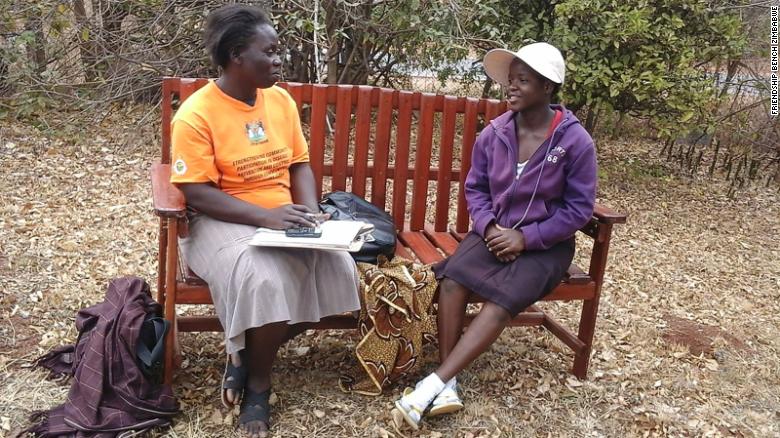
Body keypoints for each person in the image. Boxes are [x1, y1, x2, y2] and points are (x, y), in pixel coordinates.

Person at [169, 5, 360, 437]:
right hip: (220, 220)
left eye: (278, 51)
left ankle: (244, 356)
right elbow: (196, 192)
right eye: (269, 52)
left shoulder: (279, 100)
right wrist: (266, 217)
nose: (279, 60)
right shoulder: (196, 114)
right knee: (264, 279)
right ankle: (258, 385)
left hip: (281, 214)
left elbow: (299, 164)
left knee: (337, 269)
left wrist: (309, 210)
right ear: (236, 56)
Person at [393, 42, 597, 429]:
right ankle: (448, 382)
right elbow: (476, 190)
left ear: (548, 86)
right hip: (493, 233)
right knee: (453, 281)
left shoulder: (574, 142)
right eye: (510, 80)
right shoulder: (495, 133)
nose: (511, 87)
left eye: (523, 80)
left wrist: (527, 238)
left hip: (545, 245)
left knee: (501, 300)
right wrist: (489, 228)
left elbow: (578, 209)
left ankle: (429, 387)